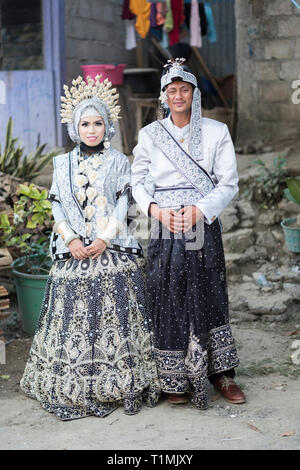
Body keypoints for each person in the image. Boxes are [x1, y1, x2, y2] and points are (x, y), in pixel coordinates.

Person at [20, 75, 161, 420]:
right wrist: (69, 238)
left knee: (117, 273)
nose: (92, 129)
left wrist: (104, 238)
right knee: (68, 281)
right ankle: (73, 378)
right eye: (85, 123)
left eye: (98, 122)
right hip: (72, 248)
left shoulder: (118, 161)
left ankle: (119, 378)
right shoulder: (61, 164)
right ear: (75, 127)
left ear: (107, 125)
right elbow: (55, 205)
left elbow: (122, 204)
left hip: (110, 244)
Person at [131, 58, 246, 409]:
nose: (177, 95)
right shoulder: (150, 135)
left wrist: (199, 210)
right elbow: (138, 179)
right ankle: (173, 378)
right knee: (167, 292)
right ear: (164, 97)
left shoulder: (216, 132)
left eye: (184, 89)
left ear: (194, 94)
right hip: (164, 223)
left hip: (202, 220)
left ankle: (221, 374)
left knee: (209, 291)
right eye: (171, 90)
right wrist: (156, 211)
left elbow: (229, 183)